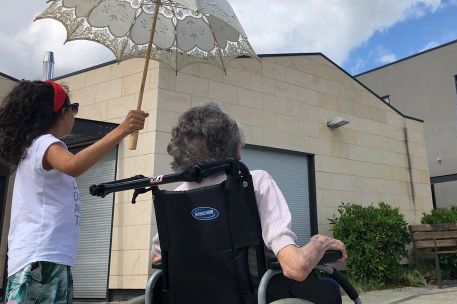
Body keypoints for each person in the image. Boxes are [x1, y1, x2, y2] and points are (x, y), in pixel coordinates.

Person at [151, 102, 347, 302]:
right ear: (235, 153)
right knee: (330, 287)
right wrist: (320, 242)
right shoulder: (254, 182)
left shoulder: (178, 197)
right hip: (255, 295)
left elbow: (158, 259)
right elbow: (295, 267)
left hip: (195, 298)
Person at [0, 80, 148, 304]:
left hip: (42, 256)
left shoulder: (32, 146)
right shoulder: (46, 143)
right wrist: (122, 130)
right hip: (43, 257)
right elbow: (74, 165)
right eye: (74, 107)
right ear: (61, 112)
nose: (75, 114)